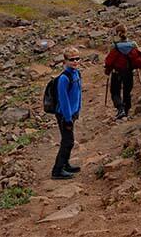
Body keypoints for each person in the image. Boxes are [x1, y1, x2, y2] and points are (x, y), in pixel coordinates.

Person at [104, 24, 141, 120]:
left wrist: (107, 71)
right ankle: (126, 111)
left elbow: (109, 61)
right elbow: (138, 59)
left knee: (115, 91)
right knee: (127, 91)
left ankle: (120, 109)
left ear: (117, 34)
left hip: (117, 73)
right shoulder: (133, 44)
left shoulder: (114, 46)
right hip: (128, 72)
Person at [52, 46, 82, 180]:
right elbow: (63, 100)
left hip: (72, 113)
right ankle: (57, 170)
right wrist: (68, 118)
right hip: (64, 115)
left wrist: (78, 110)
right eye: (72, 60)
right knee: (67, 141)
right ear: (65, 61)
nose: (75, 62)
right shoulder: (64, 78)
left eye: (77, 59)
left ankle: (66, 164)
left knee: (68, 140)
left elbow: (78, 94)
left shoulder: (77, 73)